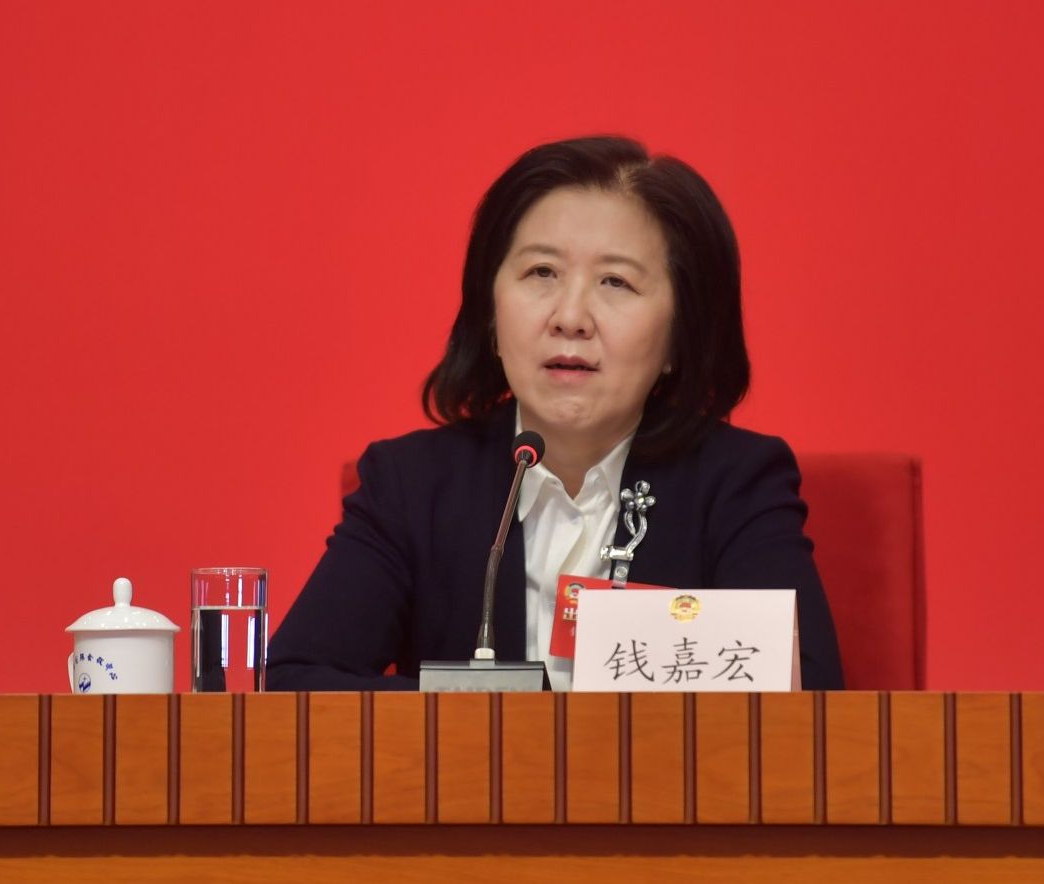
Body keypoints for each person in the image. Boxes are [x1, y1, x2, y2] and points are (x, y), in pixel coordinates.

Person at [266, 136, 844, 691]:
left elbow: (803, 697)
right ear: (490, 314)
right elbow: (296, 684)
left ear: (680, 337)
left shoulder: (735, 484)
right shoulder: (413, 485)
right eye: (541, 273)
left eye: (616, 281)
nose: (570, 317)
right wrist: (503, 718)